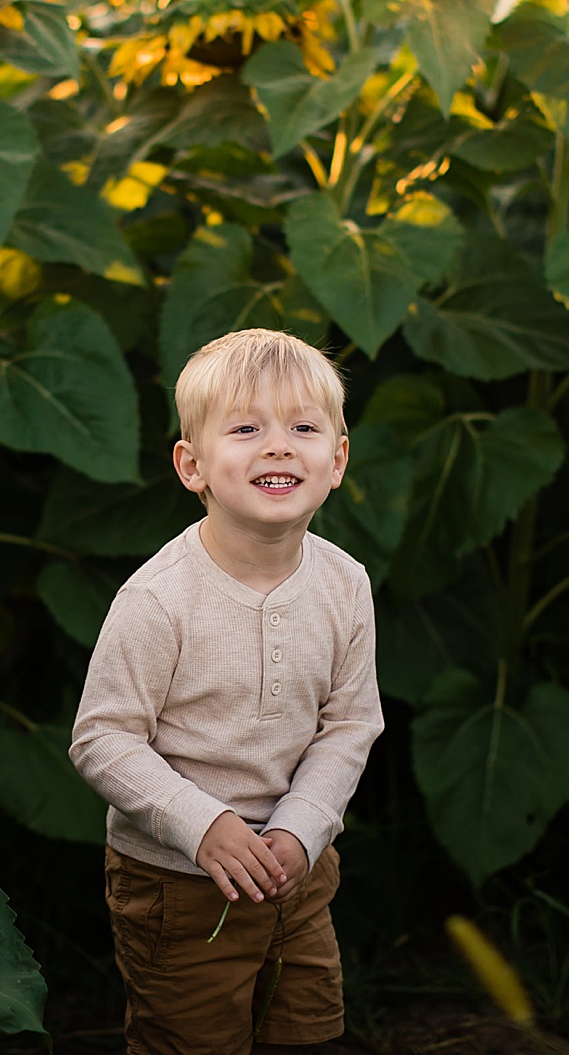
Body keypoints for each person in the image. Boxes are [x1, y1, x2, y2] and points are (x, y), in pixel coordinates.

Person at [70, 327, 385, 1055]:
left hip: (299, 871)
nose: (279, 446)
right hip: (178, 886)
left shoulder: (345, 583)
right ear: (193, 465)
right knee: (191, 1042)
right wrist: (202, 822)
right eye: (246, 428)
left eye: (304, 427)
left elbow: (349, 723)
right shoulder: (160, 599)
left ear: (337, 459)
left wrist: (304, 827)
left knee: (304, 1033)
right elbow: (103, 739)